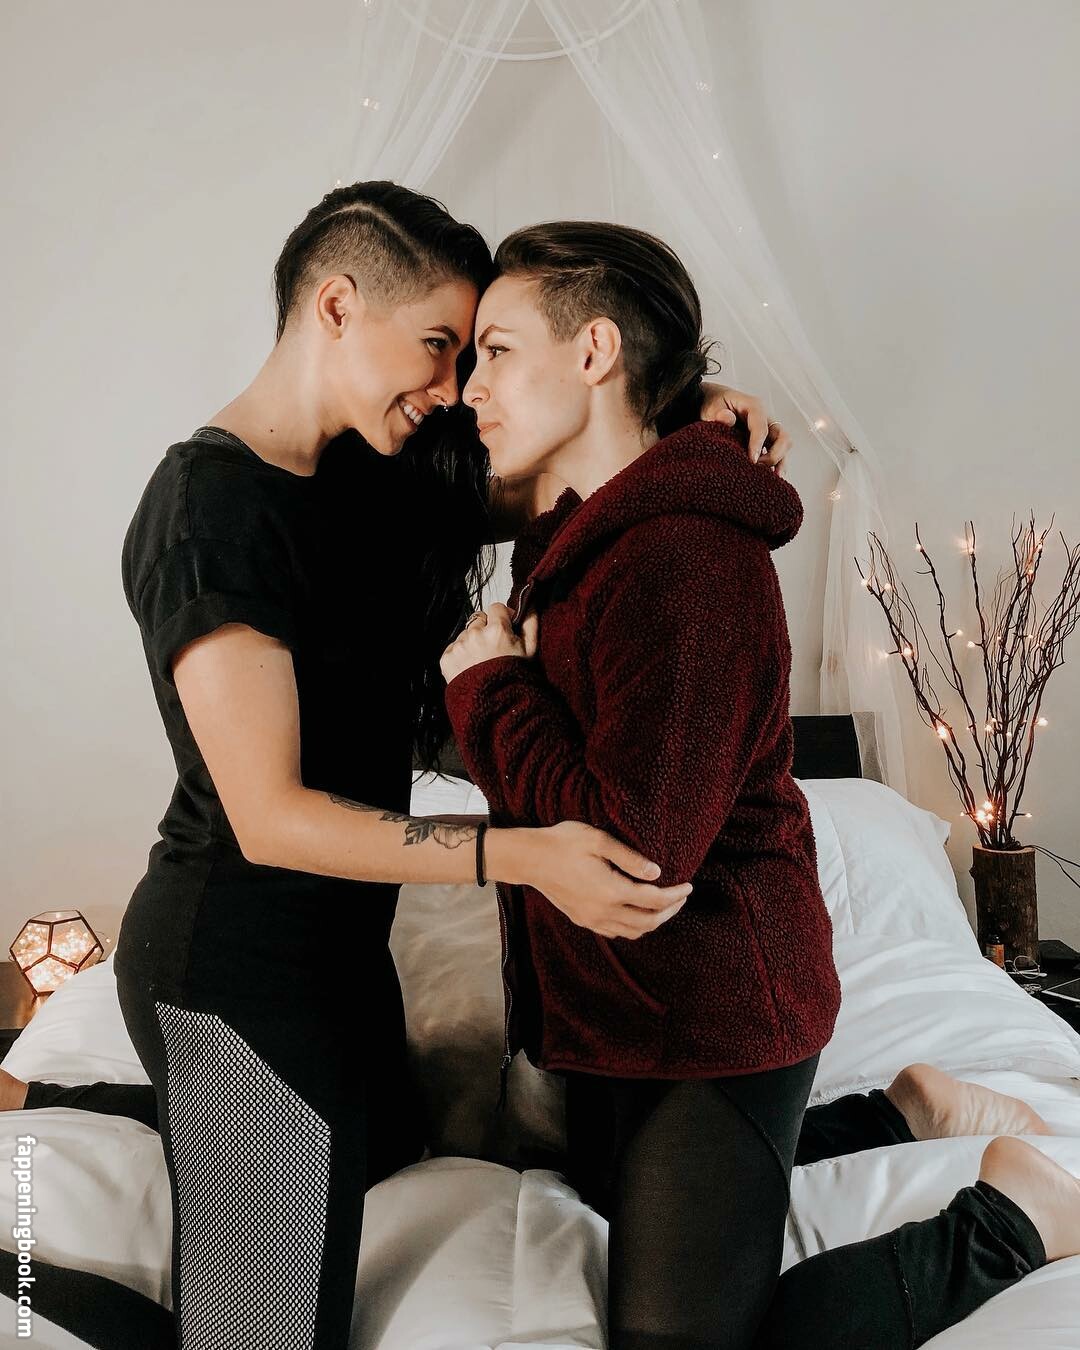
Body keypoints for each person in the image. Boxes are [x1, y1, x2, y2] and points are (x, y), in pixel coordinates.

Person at [0, 180, 784, 1350]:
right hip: (233, 967)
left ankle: (113, 1110)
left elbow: (575, 449)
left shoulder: (378, 468)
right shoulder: (206, 514)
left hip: (342, 965)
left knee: (374, 1177)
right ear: (335, 305)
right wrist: (523, 854)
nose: (452, 388)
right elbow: (272, 818)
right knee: (263, 1333)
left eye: (471, 357)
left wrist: (684, 403)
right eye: (436, 346)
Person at [438, 219, 1080, 1350]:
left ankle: (1017, 1218)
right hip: (620, 1013)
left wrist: (490, 691)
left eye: (494, 351)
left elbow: (636, 853)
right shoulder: (578, 537)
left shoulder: (684, 558)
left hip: (716, 1015)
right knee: (603, 1187)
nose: (468, 387)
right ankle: (901, 1112)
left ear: (594, 350)